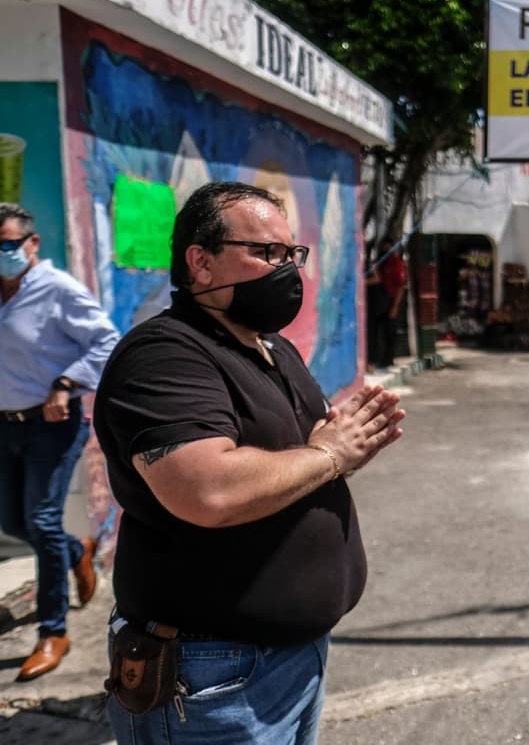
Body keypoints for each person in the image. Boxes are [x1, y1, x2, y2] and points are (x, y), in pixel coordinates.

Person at [93, 182, 405, 743]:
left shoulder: (272, 347)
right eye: (265, 253)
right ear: (201, 262)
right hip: (212, 674)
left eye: (292, 255)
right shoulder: (165, 355)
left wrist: (337, 446)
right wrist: (332, 453)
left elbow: (301, 450)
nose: (287, 270)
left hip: (293, 657)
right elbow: (208, 490)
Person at [0, 203, 118, 681]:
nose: (2, 253)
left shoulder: (57, 289)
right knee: (11, 519)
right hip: (3, 423)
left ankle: (53, 631)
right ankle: (76, 553)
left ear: (32, 244)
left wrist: (67, 385)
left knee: (42, 519)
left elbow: (106, 340)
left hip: (52, 424)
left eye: (8, 243)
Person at [365, 235, 408, 370]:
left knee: (389, 333)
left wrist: (395, 307)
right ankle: (376, 359)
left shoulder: (397, 264)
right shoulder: (380, 263)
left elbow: (400, 287)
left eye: (389, 248)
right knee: (374, 333)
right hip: (378, 303)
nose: (386, 251)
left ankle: (388, 359)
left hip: (390, 302)